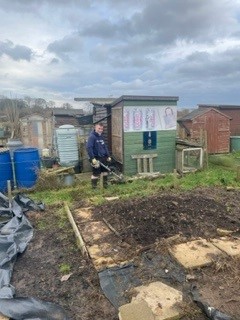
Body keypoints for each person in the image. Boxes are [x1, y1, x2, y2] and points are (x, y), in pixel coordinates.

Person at [86, 122, 111, 189]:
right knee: (96, 173)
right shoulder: (92, 137)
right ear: (95, 128)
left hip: (103, 157)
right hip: (96, 158)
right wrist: (92, 158)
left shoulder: (101, 136)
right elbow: (89, 148)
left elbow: (105, 147)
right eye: (99, 128)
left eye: (102, 129)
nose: (100, 130)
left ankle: (105, 186)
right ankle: (94, 188)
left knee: (105, 171)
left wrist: (108, 156)